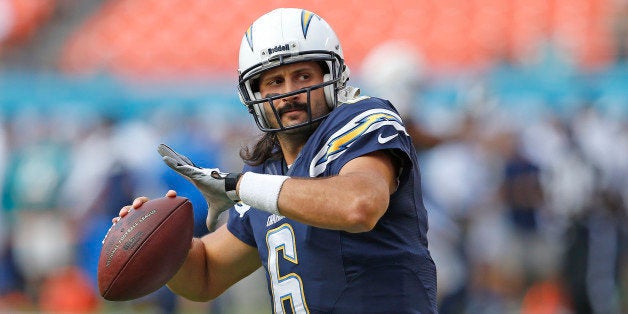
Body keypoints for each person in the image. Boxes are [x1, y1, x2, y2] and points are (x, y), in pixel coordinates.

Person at [114, 8, 437, 313]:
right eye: (274, 82)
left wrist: (240, 186)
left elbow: (359, 205)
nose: (290, 92)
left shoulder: (363, 119)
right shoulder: (265, 169)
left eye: (303, 76)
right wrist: (158, 237)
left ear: (333, 76)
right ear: (253, 94)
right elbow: (206, 275)